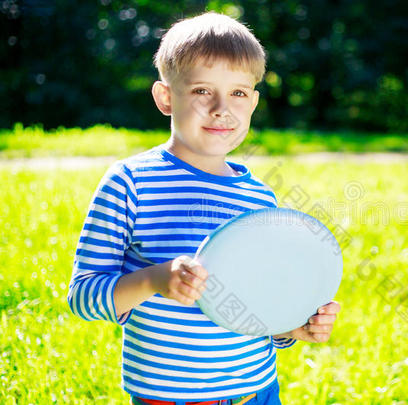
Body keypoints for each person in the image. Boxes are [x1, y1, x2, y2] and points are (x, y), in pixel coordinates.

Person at [67, 11, 340, 405]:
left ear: (254, 103)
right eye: (200, 91)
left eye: (238, 93)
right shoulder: (130, 182)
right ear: (165, 97)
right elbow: (83, 295)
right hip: (169, 396)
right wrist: (155, 280)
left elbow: (262, 300)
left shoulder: (259, 198)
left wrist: (293, 328)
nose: (220, 108)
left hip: (256, 392)